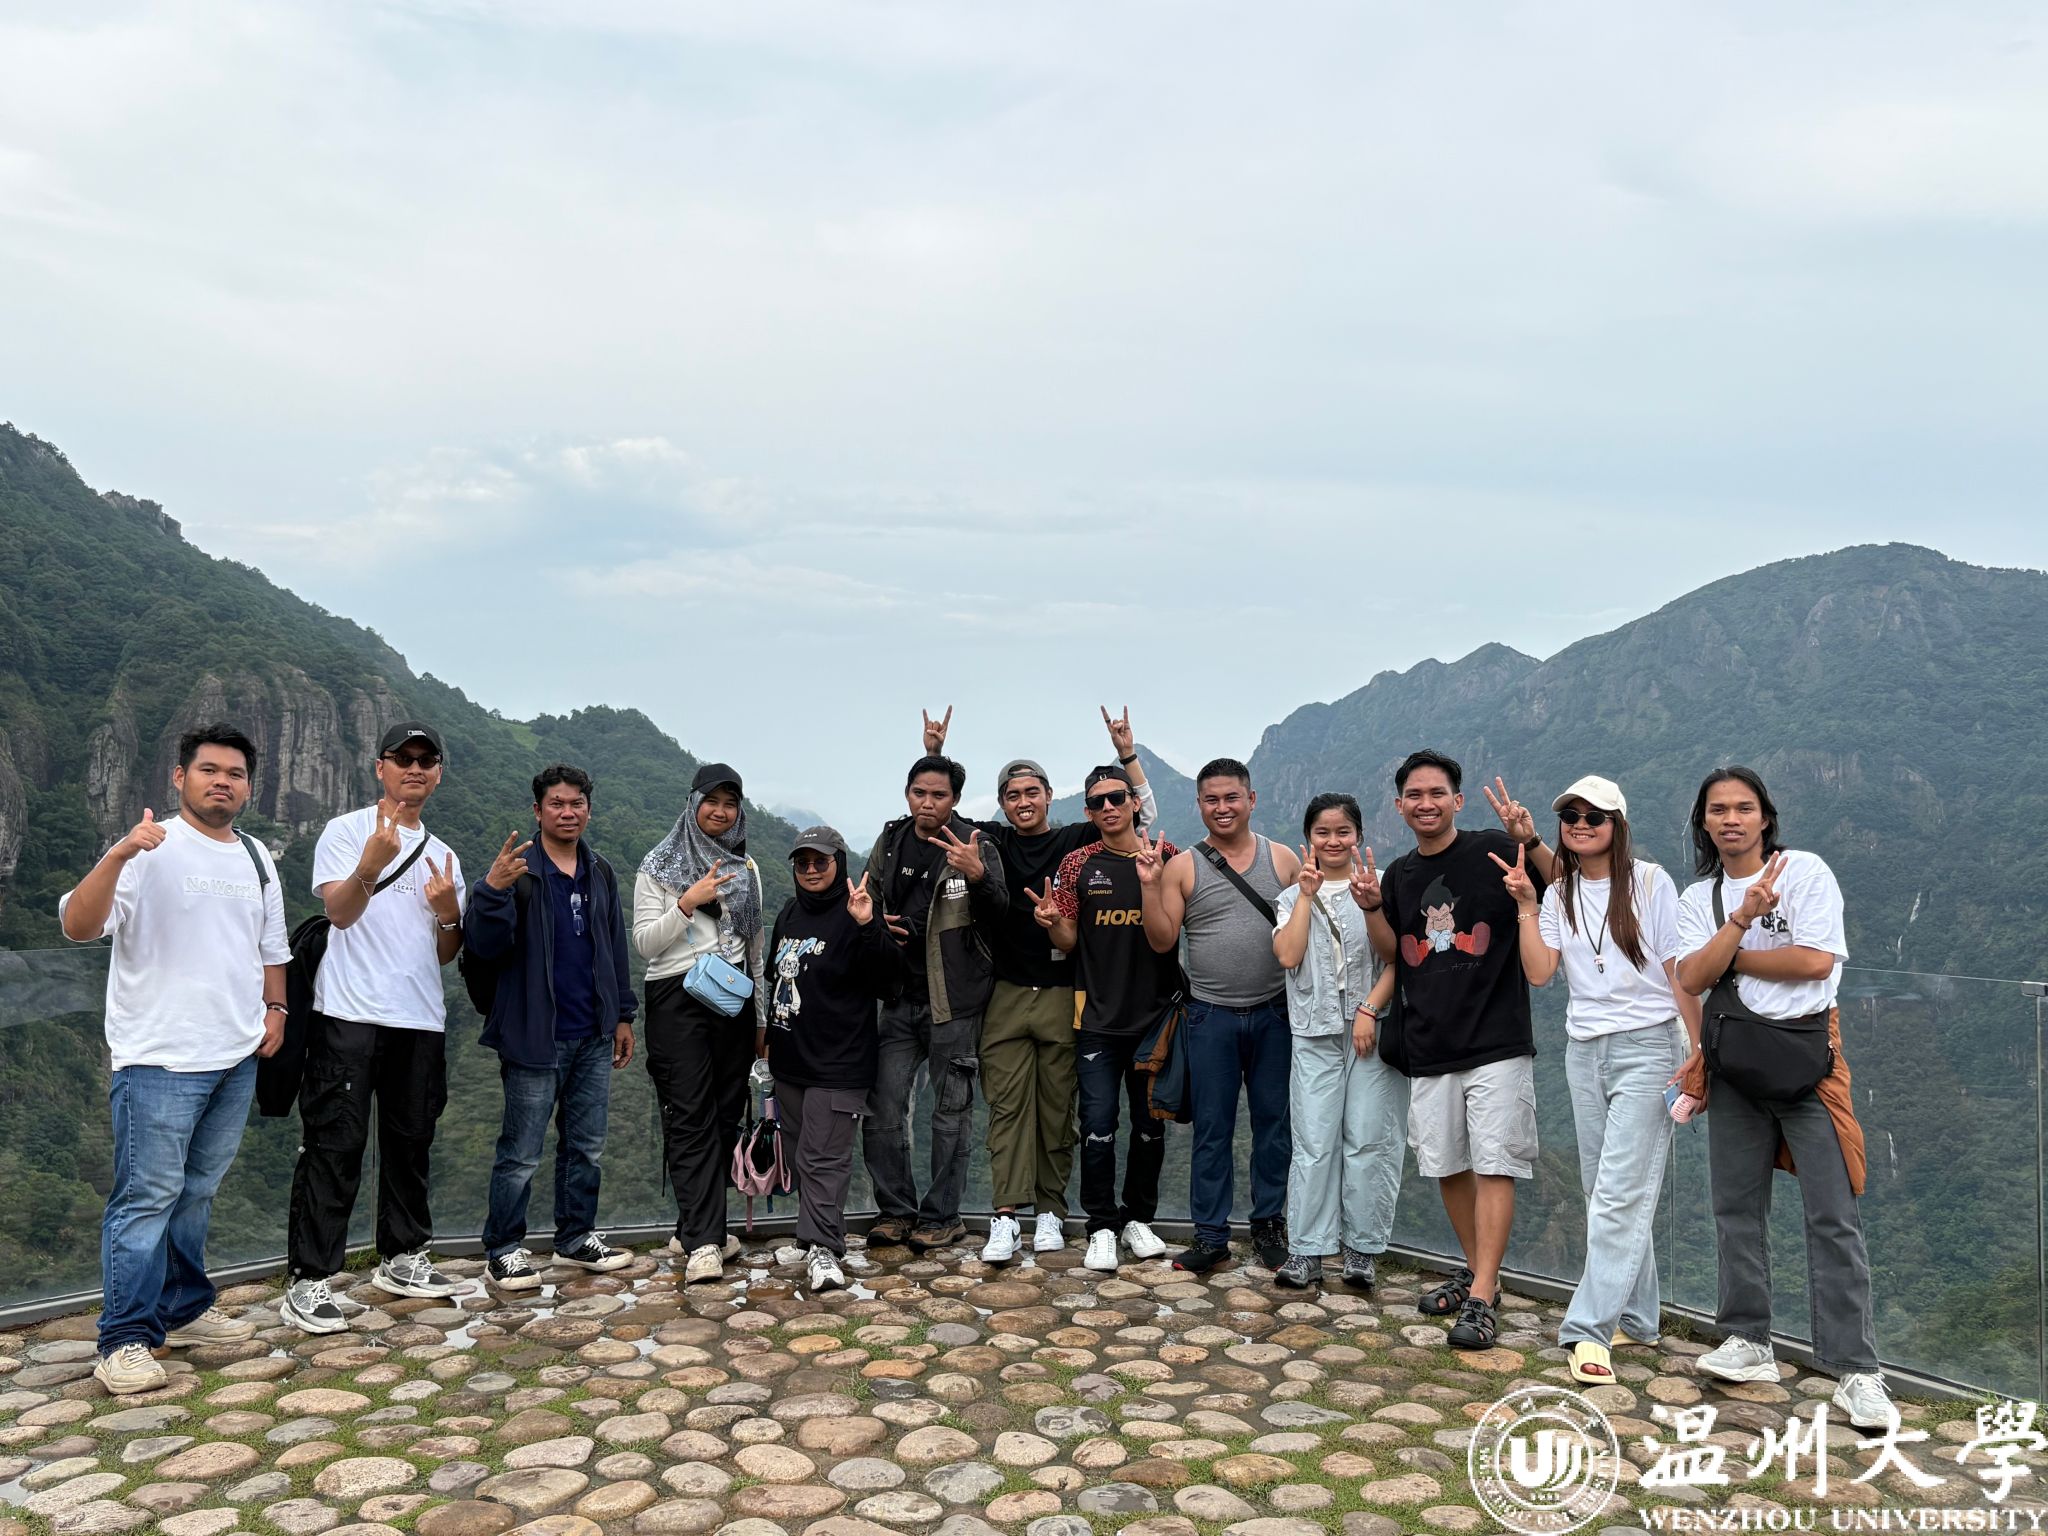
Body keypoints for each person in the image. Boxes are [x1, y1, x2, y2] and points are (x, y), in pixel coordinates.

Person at [59, 724, 286, 1394]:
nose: (223, 782)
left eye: (235, 774)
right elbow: (78, 925)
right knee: (146, 1199)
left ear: (248, 786)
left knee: (197, 1192)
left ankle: (183, 1308)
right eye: (209, 770)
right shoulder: (147, 849)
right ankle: (123, 1339)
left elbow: (271, 946)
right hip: (159, 1059)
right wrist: (120, 852)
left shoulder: (256, 856)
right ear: (179, 777)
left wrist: (276, 1010)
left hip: (235, 1053)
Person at [1672, 766, 1891, 1429]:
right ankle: (1748, 1341)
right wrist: (1741, 919)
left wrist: (1730, 951)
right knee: (1736, 1209)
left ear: (1765, 817)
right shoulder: (1700, 897)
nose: (1731, 819)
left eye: (1744, 808)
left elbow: (1815, 960)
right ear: (1704, 822)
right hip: (1736, 1066)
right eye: (1718, 810)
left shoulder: (1805, 873)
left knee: (1833, 1214)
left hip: (1808, 1065)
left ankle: (1857, 1371)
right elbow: (1690, 975)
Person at [916, 704, 1159, 1263]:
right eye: (1012, 795)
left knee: (1056, 1109)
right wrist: (934, 755)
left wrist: (1127, 754)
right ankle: (1006, 1216)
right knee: (1005, 1109)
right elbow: (938, 819)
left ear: (1050, 796)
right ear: (1002, 803)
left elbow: (1138, 815)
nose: (1023, 802)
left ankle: (1051, 1211)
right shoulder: (992, 842)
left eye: (1032, 792)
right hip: (1005, 992)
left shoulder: (1076, 839)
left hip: (1064, 993)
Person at [1498, 775, 1698, 1383]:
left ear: (1618, 824)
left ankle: (1588, 1330)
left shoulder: (1651, 882)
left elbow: (1678, 971)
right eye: (1571, 816)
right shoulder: (1558, 893)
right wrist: (1527, 905)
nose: (1581, 824)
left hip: (1650, 1047)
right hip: (1584, 1052)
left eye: (1595, 816)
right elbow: (1540, 972)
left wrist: (1698, 1052)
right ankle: (1638, 1317)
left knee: (1617, 1193)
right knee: (1603, 1190)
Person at [1356, 749, 1553, 1350]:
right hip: (1430, 1040)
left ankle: (1483, 1293)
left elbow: (1562, 885)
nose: (1426, 803)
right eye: (1414, 795)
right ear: (1399, 806)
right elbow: (1395, 950)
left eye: (1437, 793)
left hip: (1496, 1039)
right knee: (1447, 1164)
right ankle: (1479, 1275)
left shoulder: (1495, 848)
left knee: (1495, 1163)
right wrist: (1372, 908)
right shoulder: (1399, 875)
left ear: (1457, 800)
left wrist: (1532, 840)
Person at [284, 721, 466, 1334]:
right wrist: (370, 864)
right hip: (348, 1013)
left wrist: (449, 915)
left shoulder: (445, 854)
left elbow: (444, 952)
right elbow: (338, 913)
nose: (414, 768)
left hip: (419, 1017)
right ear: (380, 767)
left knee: (411, 1142)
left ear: (438, 773)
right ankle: (309, 1279)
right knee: (335, 1144)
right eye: (402, 757)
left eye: (426, 759)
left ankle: (403, 1256)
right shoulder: (346, 831)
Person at [467, 764, 638, 1291]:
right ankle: (503, 1248)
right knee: (521, 1152)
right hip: (534, 1033)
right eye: (557, 804)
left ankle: (576, 1236)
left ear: (589, 808)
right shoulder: (517, 872)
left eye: (576, 803)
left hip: (593, 1033)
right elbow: (483, 948)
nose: (568, 812)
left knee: (586, 1147)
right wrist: (492, 892)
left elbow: (614, 947)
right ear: (537, 810)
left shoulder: (600, 870)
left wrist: (624, 1015)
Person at [1139, 758, 1301, 1273]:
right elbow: (1162, 941)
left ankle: (1269, 1225)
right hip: (1209, 1016)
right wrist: (1149, 885)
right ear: (1199, 805)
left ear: (1251, 800)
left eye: (1232, 797)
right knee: (1212, 1128)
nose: (1222, 807)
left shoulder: (1283, 861)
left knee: (1274, 1124)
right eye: (1211, 799)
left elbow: (1305, 935)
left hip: (1275, 1013)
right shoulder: (1183, 867)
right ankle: (1210, 1236)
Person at [861, 754, 1008, 1251]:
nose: (927, 803)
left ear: (955, 799)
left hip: (955, 1002)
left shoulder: (974, 843)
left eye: (939, 795)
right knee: (882, 1108)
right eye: (919, 793)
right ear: (907, 793)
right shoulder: (891, 840)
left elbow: (1001, 910)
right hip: (898, 997)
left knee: (950, 1115)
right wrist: (877, 922)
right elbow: (866, 897)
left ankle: (943, 1216)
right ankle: (895, 1212)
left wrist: (979, 875)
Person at [633, 762, 768, 1285]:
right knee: (689, 1115)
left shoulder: (746, 868)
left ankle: (692, 1227)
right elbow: (645, 943)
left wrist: (761, 1020)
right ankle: (707, 1242)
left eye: (730, 803)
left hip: (732, 1001)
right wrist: (687, 904)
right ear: (692, 805)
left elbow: (754, 950)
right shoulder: (658, 865)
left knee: (723, 1117)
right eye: (711, 801)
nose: (720, 811)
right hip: (676, 998)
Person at [1041, 764, 1180, 1271]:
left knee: (1150, 1127)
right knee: (1097, 1125)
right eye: (1098, 802)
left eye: (1117, 797)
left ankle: (1138, 1218)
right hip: (1096, 1018)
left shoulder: (1166, 855)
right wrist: (1052, 922)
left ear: (1135, 802)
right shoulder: (1077, 864)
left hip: (1156, 1018)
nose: (1108, 807)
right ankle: (1101, 1225)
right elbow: (1068, 939)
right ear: (1087, 812)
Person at [1270, 793, 1404, 1292]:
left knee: (1370, 1138)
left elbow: (1398, 958)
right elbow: (1288, 955)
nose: (1333, 841)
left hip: (1372, 1029)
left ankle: (1361, 1249)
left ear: (1359, 836)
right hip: (1314, 1031)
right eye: (1322, 832)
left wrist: (1369, 1008)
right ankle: (1307, 1249)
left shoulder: (1381, 885)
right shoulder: (1291, 897)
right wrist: (1306, 896)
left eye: (1342, 831)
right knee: (1313, 1141)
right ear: (1308, 837)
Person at [764, 826, 907, 1293]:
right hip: (790, 1061)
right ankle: (811, 1238)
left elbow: (889, 980)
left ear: (839, 863)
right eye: (802, 862)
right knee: (801, 1156)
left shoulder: (857, 913)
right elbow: (776, 980)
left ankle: (825, 1248)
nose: (810, 870)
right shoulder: (789, 914)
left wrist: (868, 925)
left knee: (824, 1158)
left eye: (820, 862)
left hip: (839, 1062)